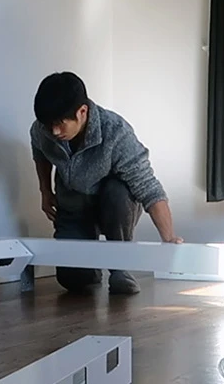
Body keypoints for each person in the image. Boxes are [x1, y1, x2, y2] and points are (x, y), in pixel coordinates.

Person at [29, 72, 183, 295]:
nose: (54, 131)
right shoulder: (42, 130)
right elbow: (40, 152)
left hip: (113, 205)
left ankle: (120, 267)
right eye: (48, 125)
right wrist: (45, 190)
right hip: (73, 203)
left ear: (82, 112)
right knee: (73, 280)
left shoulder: (116, 133)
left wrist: (168, 239)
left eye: (60, 124)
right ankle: (90, 271)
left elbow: (149, 188)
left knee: (117, 191)